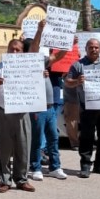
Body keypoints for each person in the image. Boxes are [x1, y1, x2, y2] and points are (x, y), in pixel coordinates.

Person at [0, 38, 35, 192]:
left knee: (23, 147)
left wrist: (42, 75)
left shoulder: (31, 68)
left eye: (18, 50)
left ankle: (22, 179)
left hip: (22, 113)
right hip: (3, 112)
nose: (14, 52)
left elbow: (37, 89)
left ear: (23, 52)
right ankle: (5, 180)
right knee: (3, 148)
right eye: (12, 49)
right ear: (7, 50)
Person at [66, 38, 100, 178]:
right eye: (91, 47)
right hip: (87, 108)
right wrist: (77, 81)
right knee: (86, 137)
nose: (94, 49)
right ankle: (85, 165)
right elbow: (68, 82)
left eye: (96, 47)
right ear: (86, 49)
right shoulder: (78, 65)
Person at [28, 21, 67, 181]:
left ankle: (55, 167)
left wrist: (67, 41)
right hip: (37, 107)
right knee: (37, 139)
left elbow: (59, 55)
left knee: (53, 138)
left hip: (50, 106)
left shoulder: (44, 61)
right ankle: (36, 167)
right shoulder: (29, 61)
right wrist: (39, 31)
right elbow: (33, 48)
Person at [61, 37, 80, 150]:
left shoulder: (81, 62)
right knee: (71, 120)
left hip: (84, 96)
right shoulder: (63, 61)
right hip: (70, 95)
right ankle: (74, 143)